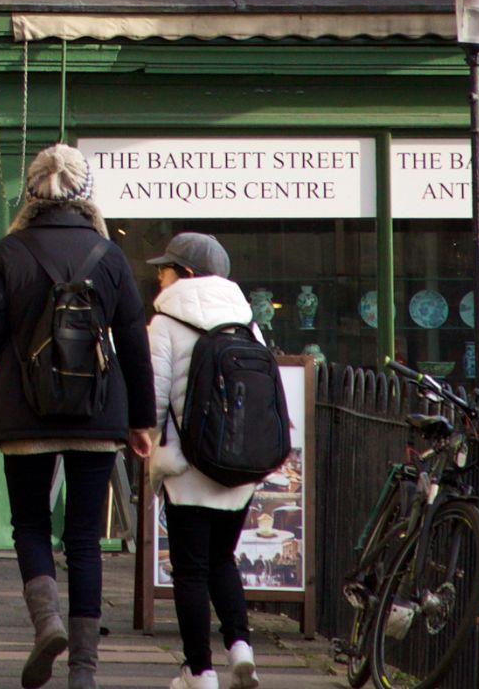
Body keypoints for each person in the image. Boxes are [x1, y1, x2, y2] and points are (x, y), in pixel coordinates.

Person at [0, 144, 156, 689]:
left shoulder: (9, 251)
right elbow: (135, 349)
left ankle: (47, 623)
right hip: (97, 415)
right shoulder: (108, 255)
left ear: (32, 190)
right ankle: (84, 671)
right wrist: (141, 422)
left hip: (26, 414)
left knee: (30, 524)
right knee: (84, 539)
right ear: (84, 192)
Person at [146, 232, 262, 689]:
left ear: (186, 274)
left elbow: (153, 400)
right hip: (238, 467)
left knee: (190, 569)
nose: (160, 275)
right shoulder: (247, 321)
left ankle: (200, 671)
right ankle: (240, 648)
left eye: (167, 268)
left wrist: (148, 445)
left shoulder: (165, 322)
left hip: (187, 466)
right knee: (222, 559)